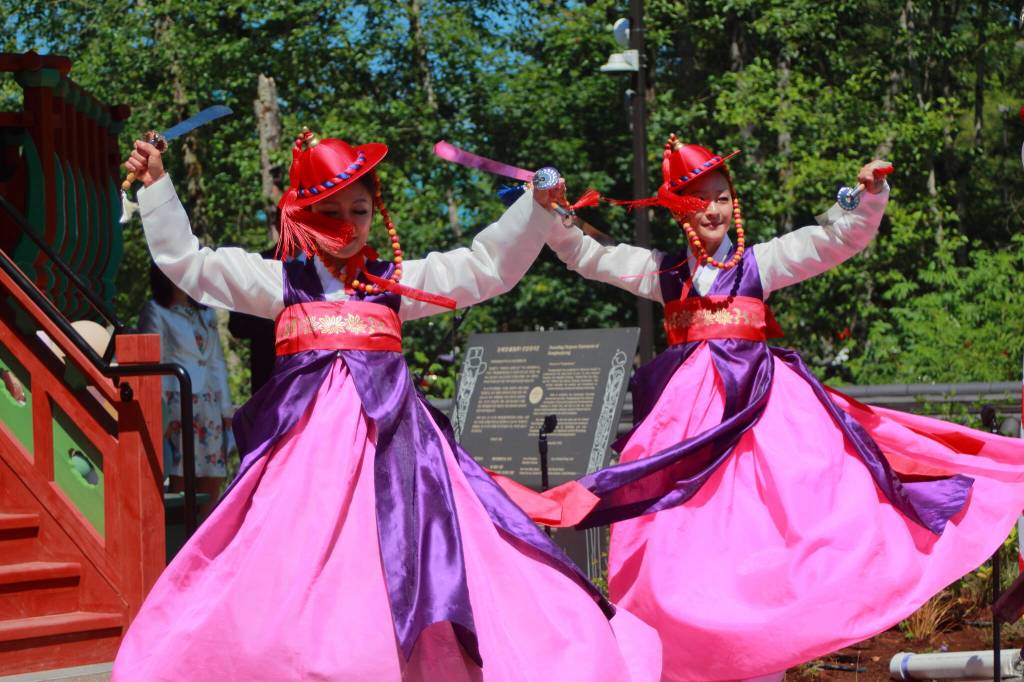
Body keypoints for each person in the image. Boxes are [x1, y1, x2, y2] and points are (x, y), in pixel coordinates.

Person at [112, 129, 661, 681]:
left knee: (418, 563)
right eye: (330, 211)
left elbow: (484, 268)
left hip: (399, 461)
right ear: (301, 213)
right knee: (293, 580)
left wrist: (535, 209)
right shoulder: (280, 283)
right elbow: (189, 263)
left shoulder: (393, 283)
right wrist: (158, 187)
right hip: (306, 471)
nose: (348, 226)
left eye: (361, 209)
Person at [540, 134, 1024, 681]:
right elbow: (587, 254)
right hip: (688, 431)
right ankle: (709, 656)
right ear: (680, 210)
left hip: (765, 420)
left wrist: (869, 196)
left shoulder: (759, 264)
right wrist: (552, 211)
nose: (713, 209)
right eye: (699, 199)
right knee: (685, 551)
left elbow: (833, 240)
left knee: (785, 528)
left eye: (721, 197)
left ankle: (769, 655)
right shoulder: (663, 273)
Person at [140, 263, 233, 520]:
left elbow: (216, 362)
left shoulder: (206, 314)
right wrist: (159, 412)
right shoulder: (156, 310)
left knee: (213, 473)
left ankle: (205, 539)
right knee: (181, 474)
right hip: (177, 401)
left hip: (209, 402)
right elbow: (153, 362)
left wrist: (226, 411)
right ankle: (179, 538)